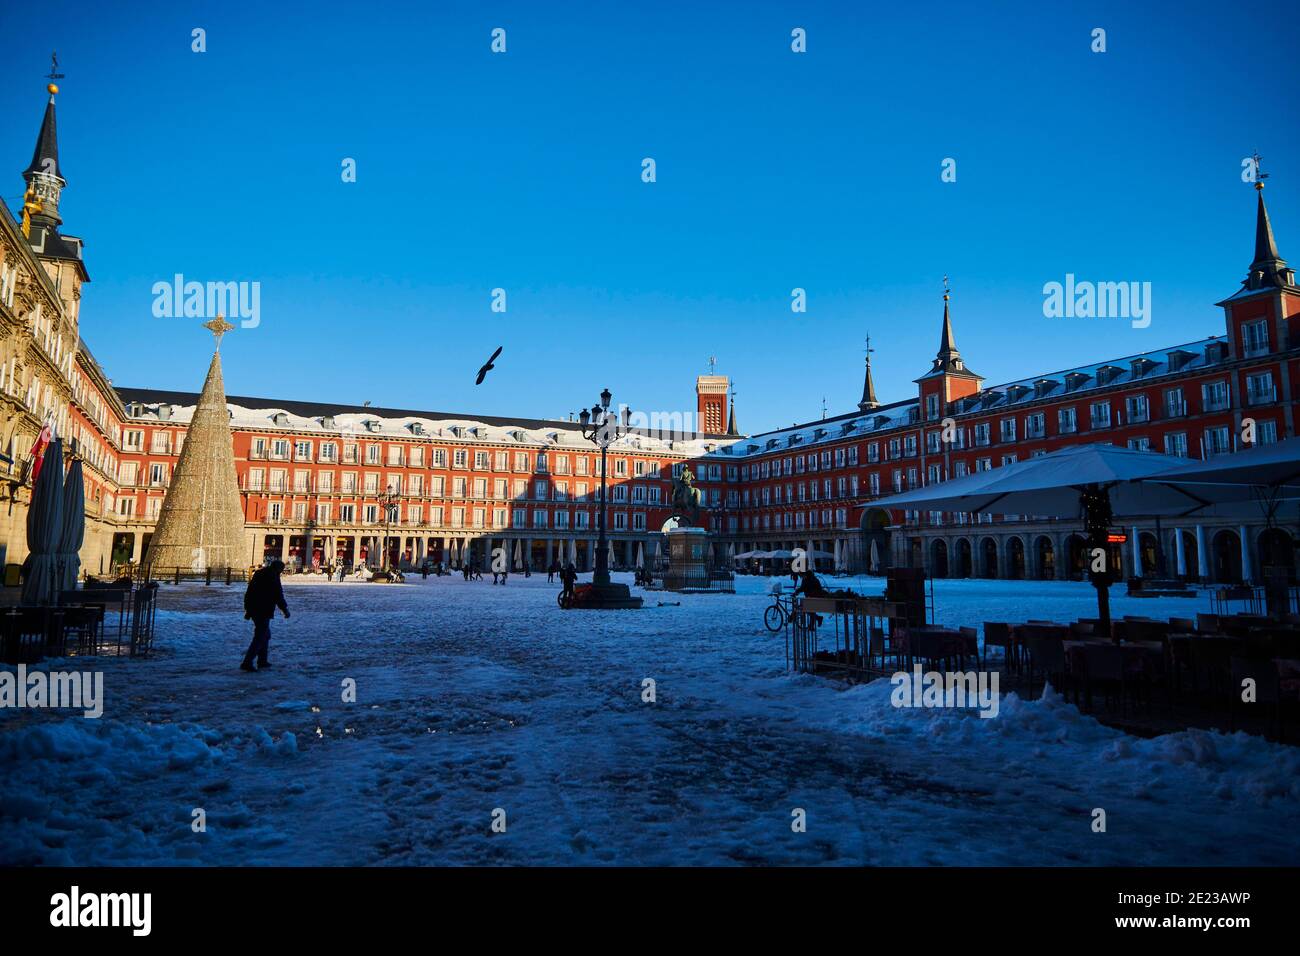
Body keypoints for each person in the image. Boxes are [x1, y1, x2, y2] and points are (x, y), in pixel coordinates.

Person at [241, 559, 290, 671]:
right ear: (278, 569)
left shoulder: (259, 573)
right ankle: (247, 662)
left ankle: (262, 660)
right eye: (281, 570)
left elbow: (250, 591)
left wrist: (248, 609)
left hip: (254, 608)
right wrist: (285, 610)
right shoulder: (273, 576)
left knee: (265, 634)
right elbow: (278, 594)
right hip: (263, 609)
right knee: (260, 636)